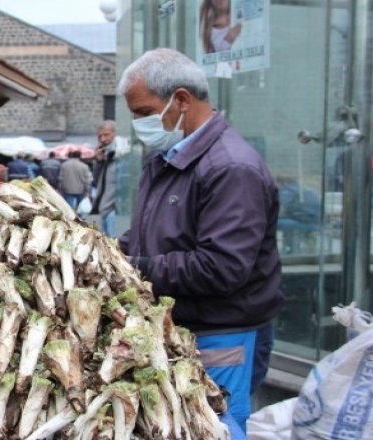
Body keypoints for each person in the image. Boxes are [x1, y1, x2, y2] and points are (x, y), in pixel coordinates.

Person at [117, 48, 283, 431]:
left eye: (143, 112)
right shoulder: (166, 158)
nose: (139, 123)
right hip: (185, 326)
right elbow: (151, 232)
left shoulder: (230, 168)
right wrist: (110, 252)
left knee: (216, 424)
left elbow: (222, 266)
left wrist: (137, 268)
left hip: (223, 332)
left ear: (181, 99)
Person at [91, 121, 128, 236]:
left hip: (115, 211)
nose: (102, 139)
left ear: (115, 134)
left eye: (106, 135)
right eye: (99, 136)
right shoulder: (108, 156)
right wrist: (99, 161)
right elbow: (97, 182)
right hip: (104, 210)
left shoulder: (124, 155)